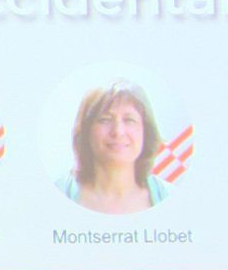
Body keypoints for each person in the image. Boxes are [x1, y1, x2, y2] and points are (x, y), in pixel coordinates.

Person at [56, 81, 168, 215]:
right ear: (86, 131)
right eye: (105, 120)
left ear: (146, 131)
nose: (118, 131)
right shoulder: (57, 195)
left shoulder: (169, 196)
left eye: (129, 120)